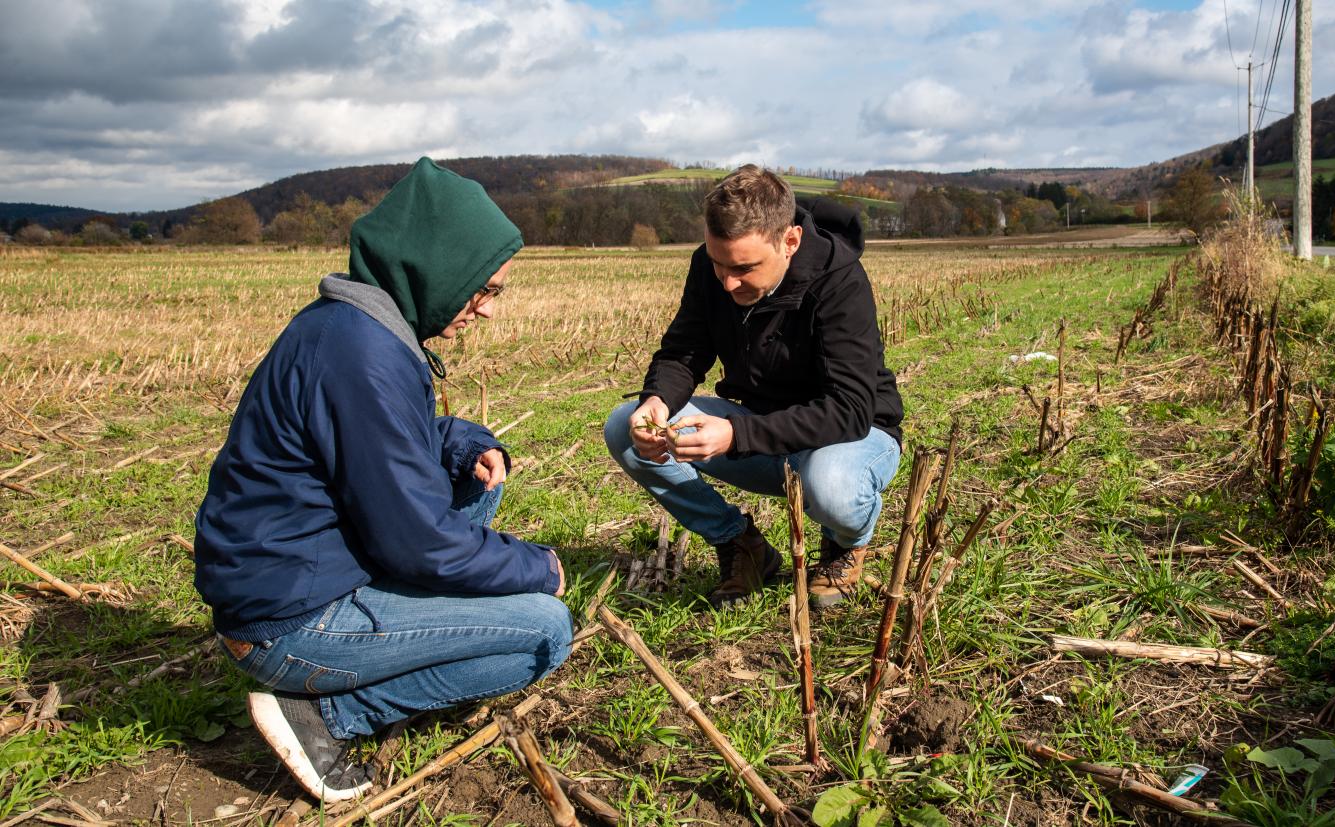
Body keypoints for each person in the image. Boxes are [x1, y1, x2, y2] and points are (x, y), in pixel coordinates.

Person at [193, 157, 570, 804]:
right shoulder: (360, 357)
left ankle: (383, 634)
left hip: (303, 569)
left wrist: (468, 444)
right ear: (435, 269)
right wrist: (538, 567)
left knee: (480, 486)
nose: (484, 311)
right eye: (484, 289)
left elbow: (387, 447)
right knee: (546, 629)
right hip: (289, 616)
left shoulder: (359, 327)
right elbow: (419, 541)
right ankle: (325, 715)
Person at [604, 165, 903, 609]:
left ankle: (845, 544)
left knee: (831, 485)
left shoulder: (839, 280)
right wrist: (656, 402)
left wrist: (735, 435)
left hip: (855, 436)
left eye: (743, 268)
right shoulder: (713, 270)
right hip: (763, 429)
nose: (727, 282)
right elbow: (685, 350)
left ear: (790, 241)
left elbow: (850, 409)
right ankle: (741, 544)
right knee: (622, 428)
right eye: (718, 263)